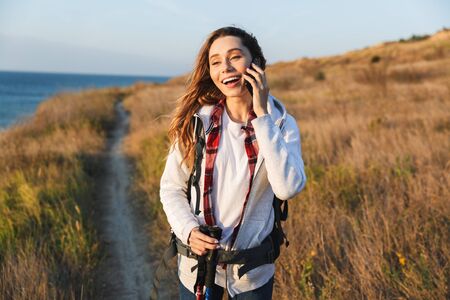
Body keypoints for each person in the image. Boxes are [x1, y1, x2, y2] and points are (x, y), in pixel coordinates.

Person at [159, 26, 307, 299]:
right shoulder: (198, 123)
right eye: (215, 61)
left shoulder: (281, 123)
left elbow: (287, 188)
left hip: (251, 272)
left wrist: (262, 117)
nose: (224, 67)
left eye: (235, 56)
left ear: (257, 65)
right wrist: (188, 230)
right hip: (199, 267)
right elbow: (170, 188)